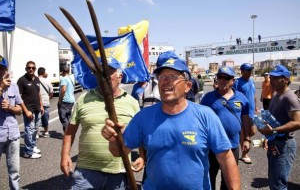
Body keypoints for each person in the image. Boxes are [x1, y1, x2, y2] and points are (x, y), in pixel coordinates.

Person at [102, 51, 241, 189]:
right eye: (162, 77)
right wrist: (114, 140)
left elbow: (226, 158)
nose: (166, 81)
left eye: (173, 76)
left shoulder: (206, 115)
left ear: (187, 86)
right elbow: (118, 151)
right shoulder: (143, 117)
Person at [60, 57, 142, 189]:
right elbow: (70, 132)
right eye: (100, 73)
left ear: (120, 76)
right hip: (85, 171)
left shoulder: (131, 103)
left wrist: (142, 156)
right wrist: (65, 156)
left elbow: (140, 134)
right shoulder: (83, 99)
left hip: (119, 172)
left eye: (108, 73)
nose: (103, 77)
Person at [201, 66, 252, 190]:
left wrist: (246, 138)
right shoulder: (208, 98)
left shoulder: (241, 98)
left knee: (228, 179)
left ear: (232, 81)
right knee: (209, 177)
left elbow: (245, 120)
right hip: (212, 147)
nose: (223, 80)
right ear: (216, 79)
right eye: (220, 77)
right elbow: (200, 121)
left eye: (226, 78)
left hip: (232, 146)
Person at [257, 65, 300, 190]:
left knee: (278, 185)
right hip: (274, 143)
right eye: (272, 77)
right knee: (274, 182)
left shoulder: (290, 97)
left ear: (286, 79)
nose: (272, 81)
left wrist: (274, 131)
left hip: (284, 145)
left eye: (276, 78)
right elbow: (273, 120)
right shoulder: (276, 95)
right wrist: (268, 137)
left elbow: (297, 122)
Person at [0, 55, 23, 189]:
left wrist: (10, 107)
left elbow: (19, 108)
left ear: (6, 70)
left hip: (13, 133)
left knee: (14, 170)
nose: (0, 71)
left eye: (2, 68)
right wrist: (1, 88)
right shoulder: (4, 86)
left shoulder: (13, 86)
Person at [17, 61, 44, 159]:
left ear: (35, 69)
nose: (31, 69)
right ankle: (28, 152)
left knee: (35, 130)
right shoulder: (21, 80)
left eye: (33, 68)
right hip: (29, 110)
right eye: (29, 68)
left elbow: (38, 93)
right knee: (29, 130)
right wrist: (26, 111)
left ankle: (32, 146)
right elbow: (19, 98)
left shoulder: (36, 79)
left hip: (37, 109)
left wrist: (41, 105)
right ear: (26, 69)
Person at [233, 63, 257, 164]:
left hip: (251, 112)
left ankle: (241, 140)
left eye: (250, 70)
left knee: (253, 132)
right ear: (242, 71)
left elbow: (253, 94)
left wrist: (255, 105)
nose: (250, 72)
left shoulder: (252, 81)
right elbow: (233, 97)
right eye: (247, 70)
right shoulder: (237, 83)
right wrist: (237, 111)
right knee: (245, 133)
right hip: (242, 113)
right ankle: (244, 154)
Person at [58, 66, 75, 134]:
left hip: (65, 100)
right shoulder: (71, 79)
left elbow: (63, 90)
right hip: (71, 100)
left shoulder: (64, 79)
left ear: (62, 72)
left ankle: (67, 133)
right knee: (68, 116)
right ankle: (68, 132)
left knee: (63, 117)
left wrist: (60, 99)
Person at [38, 67, 54, 137]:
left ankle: (36, 134)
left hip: (36, 102)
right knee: (45, 117)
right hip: (45, 102)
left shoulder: (34, 80)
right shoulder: (47, 81)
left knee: (36, 118)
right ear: (43, 73)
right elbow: (51, 92)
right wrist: (49, 97)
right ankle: (46, 132)